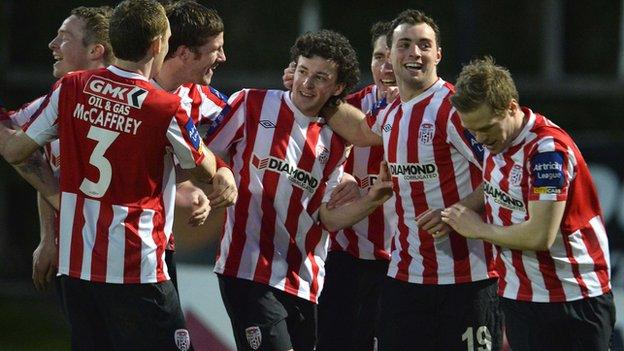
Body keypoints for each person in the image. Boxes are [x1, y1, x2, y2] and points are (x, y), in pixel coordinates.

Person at [0, 0, 229, 349]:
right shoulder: (165, 106)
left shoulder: (71, 88)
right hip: (137, 264)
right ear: (158, 45)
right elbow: (203, 166)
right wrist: (213, 168)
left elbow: (18, 150)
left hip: (78, 266)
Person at [322, 9, 503, 350]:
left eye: (424, 45)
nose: (414, 53)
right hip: (406, 278)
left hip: (467, 279)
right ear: (389, 55)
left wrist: (456, 211)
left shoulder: (453, 108)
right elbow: (360, 130)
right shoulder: (389, 114)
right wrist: (313, 90)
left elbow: (499, 172)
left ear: (438, 54)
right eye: (404, 45)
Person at [205, 29, 393, 351]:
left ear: (337, 88)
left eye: (320, 78)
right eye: (303, 71)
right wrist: (219, 174)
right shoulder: (251, 103)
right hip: (247, 269)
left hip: (304, 281)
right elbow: (206, 154)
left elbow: (328, 218)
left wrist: (373, 200)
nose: (306, 84)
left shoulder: (336, 141)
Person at [442, 56, 615, 351]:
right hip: (520, 295)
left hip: (572, 297)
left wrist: (478, 228)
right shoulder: (497, 138)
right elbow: (497, 182)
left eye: (486, 128)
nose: (480, 139)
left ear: (511, 107)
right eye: (471, 130)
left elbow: (540, 235)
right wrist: (459, 209)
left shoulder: (547, 152)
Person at [316, 21, 397, 351]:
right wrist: (342, 177)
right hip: (345, 258)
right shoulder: (344, 110)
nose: (386, 66)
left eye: (393, 56)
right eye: (379, 56)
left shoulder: (439, 112)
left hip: (405, 265)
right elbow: (314, 164)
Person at [152, 0, 236, 291]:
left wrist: (221, 170)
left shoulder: (202, 98)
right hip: (114, 245)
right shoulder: (131, 92)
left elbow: (254, 130)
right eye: (216, 49)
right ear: (185, 52)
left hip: (159, 243)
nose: (223, 57)